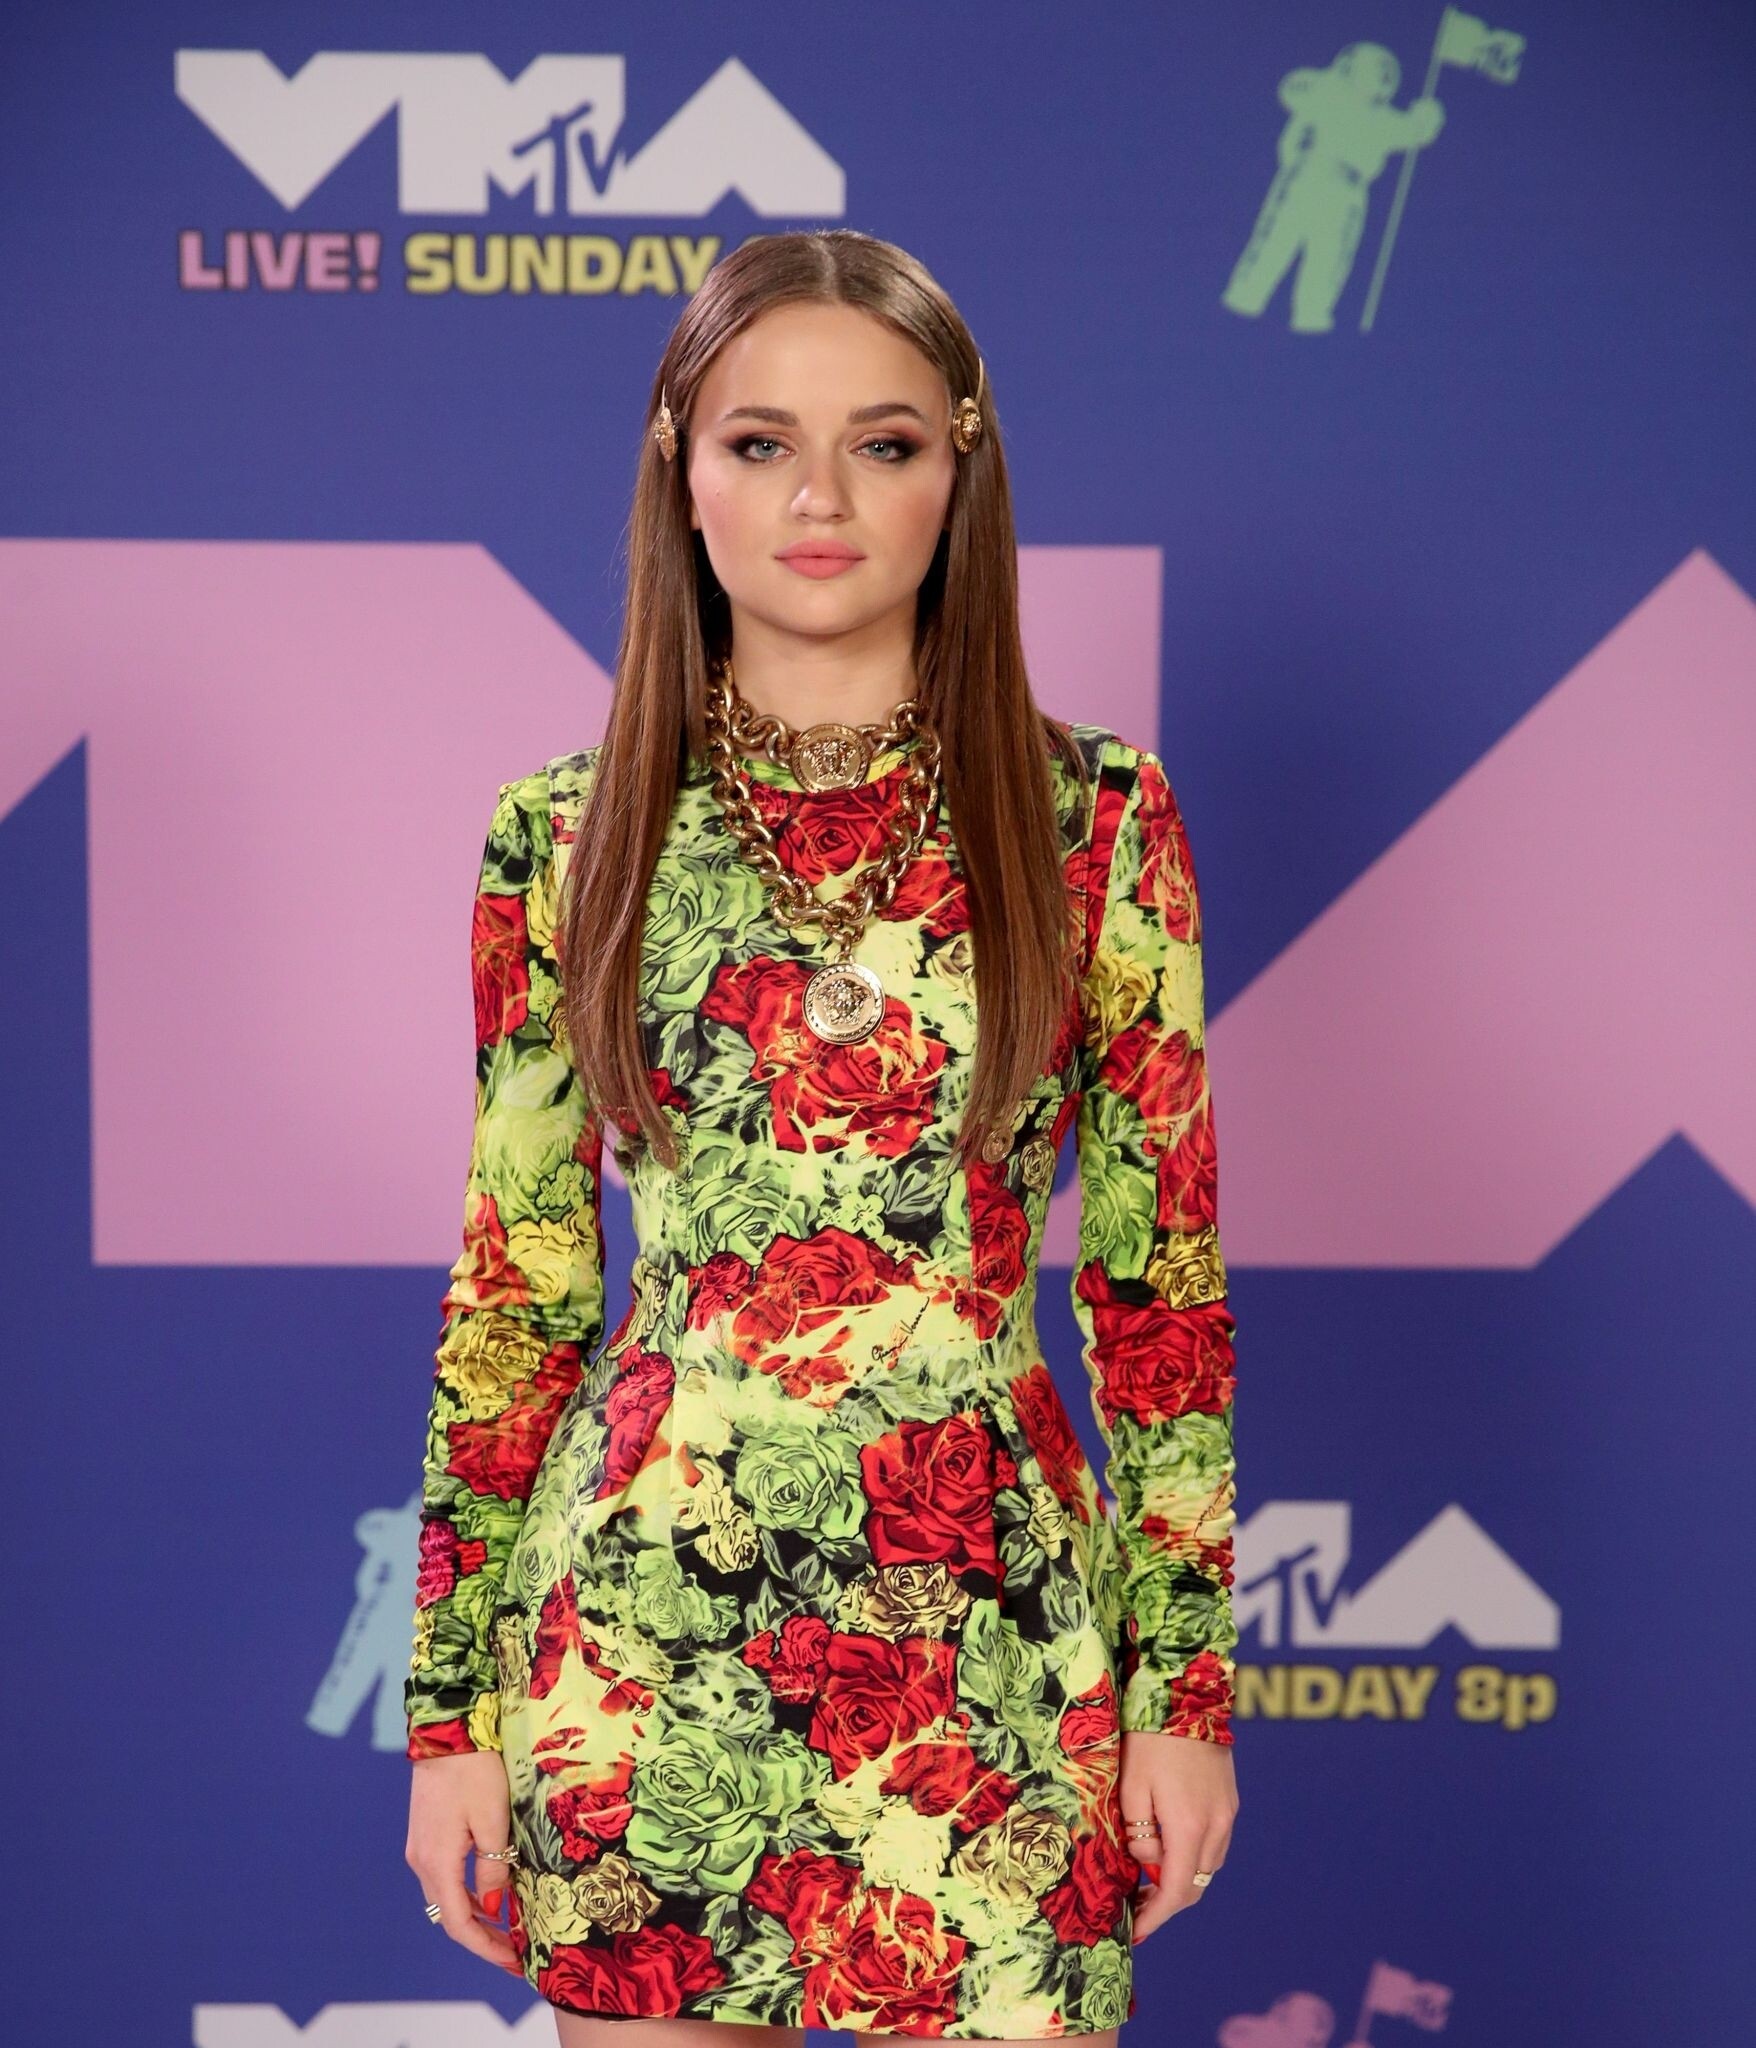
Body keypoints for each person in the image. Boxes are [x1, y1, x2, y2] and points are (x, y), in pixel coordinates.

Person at [403, 227, 1240, 2044]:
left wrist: (1185, 1695)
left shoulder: (1099, 820)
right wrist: (451, 1716)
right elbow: (517, 1294)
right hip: (640, 1643)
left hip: (994, 1631)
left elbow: (1158, 1295)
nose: (820, 498)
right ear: (681, 469)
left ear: (962, 471)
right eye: (760, 442)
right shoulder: (562, 836)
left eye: (885, 443)